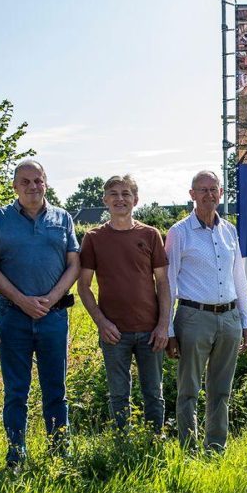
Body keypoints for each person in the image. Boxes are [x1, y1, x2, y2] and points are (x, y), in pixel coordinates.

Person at [0, 159, 80, 467]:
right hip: (13, 316)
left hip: (53, 317)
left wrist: (52, 298)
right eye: (25, 181)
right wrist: (22, 300)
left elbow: (74, 264)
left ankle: (58, 454)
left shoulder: (62, 217)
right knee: (16, 391)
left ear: (46, 183)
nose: (32, 186)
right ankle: (16, 453)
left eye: (38, 180)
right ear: (15, 186)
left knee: (56, 389)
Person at [165, 170, 247, 452]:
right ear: (192, 195)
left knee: (221, 389)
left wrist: (245, 320)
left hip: (229, 318)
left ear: (221, 193)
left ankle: (216, 447)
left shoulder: (229, 231)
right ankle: (188, 449)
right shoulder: (179, 233)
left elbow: (238, 276)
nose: (208, 194)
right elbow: (167, 281)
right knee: (188, 389)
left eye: (213, 189)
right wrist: (168, 329)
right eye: (202, 190)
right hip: (194, 317)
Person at [77, 175, 169, 433]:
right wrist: (101, 323)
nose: (120, 199)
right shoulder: (94, 238)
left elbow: (163, 283)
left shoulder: (150, 235)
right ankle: (122, 444)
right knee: (118, 395)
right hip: (114, 332)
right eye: (114, 194)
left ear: (136, 200)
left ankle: (154, 441)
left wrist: (163, 326)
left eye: (126, 194)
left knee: (154, 393)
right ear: (105, 200)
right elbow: (83, 286)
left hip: (150, 330)